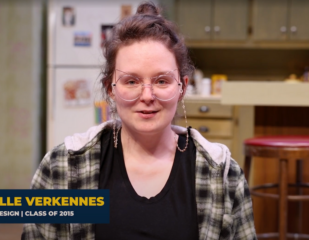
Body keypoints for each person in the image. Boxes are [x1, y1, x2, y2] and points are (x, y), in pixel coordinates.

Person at [22, 2, 257, 239]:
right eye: (131, 81)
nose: (147, 96)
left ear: (182, 88)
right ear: (111, 89)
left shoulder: (223, 175)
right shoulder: (63, 167)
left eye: (162, 81)